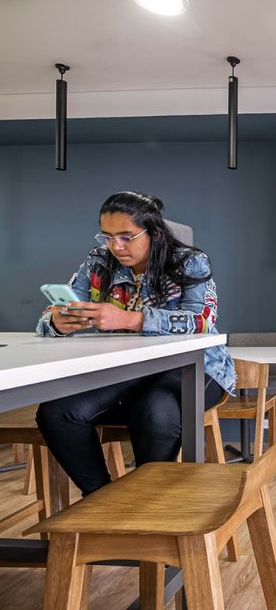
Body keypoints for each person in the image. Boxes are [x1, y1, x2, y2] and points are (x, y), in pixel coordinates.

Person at [35, 191, 236, 496]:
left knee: (155, 410)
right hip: (126, 372)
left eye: (126, 236)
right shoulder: (98, 261)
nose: (116, 246)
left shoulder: (189, 261)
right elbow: (55, 312)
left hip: (195, 370)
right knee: (57, 411)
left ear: (154, 233)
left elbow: (202, 321)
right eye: (108, 237)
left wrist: (131, 319)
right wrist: (57, 323)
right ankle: (103, 501)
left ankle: (147, 503)